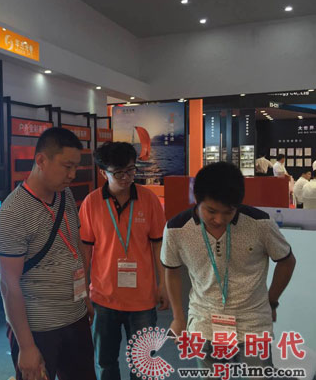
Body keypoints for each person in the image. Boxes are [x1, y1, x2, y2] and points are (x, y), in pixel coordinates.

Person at [162, 162, 296, 369]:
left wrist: (271, 301)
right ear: (197, 199)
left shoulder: (260, 223)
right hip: (204, 320)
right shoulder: (176, 229)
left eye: (228, 212)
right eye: (211, 211)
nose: (219, 219)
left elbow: (287, 261)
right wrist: (178, 317)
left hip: (252, 322)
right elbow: (171, 271)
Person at [0, 127, 96, 380]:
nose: (72, 175)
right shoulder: (12, 213)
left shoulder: (65, 195)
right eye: (67, 166)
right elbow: (8, 284)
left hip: (76, 317)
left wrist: (84, 296)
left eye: (76, 167)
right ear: (41, 160)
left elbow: (75, 248)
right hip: (39, 328)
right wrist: (26, 346)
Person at [78, 142, 167, 380]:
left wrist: (163, 284)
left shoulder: (149, 200)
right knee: (105, 362)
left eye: (130, 170)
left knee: (143, 363)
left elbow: (158, 246)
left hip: (142, 299)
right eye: (118, 173)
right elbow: (84, 252)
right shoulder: (91, 203)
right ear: (103, 173)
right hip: (103, 298)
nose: (126, 177)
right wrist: (82, 292)